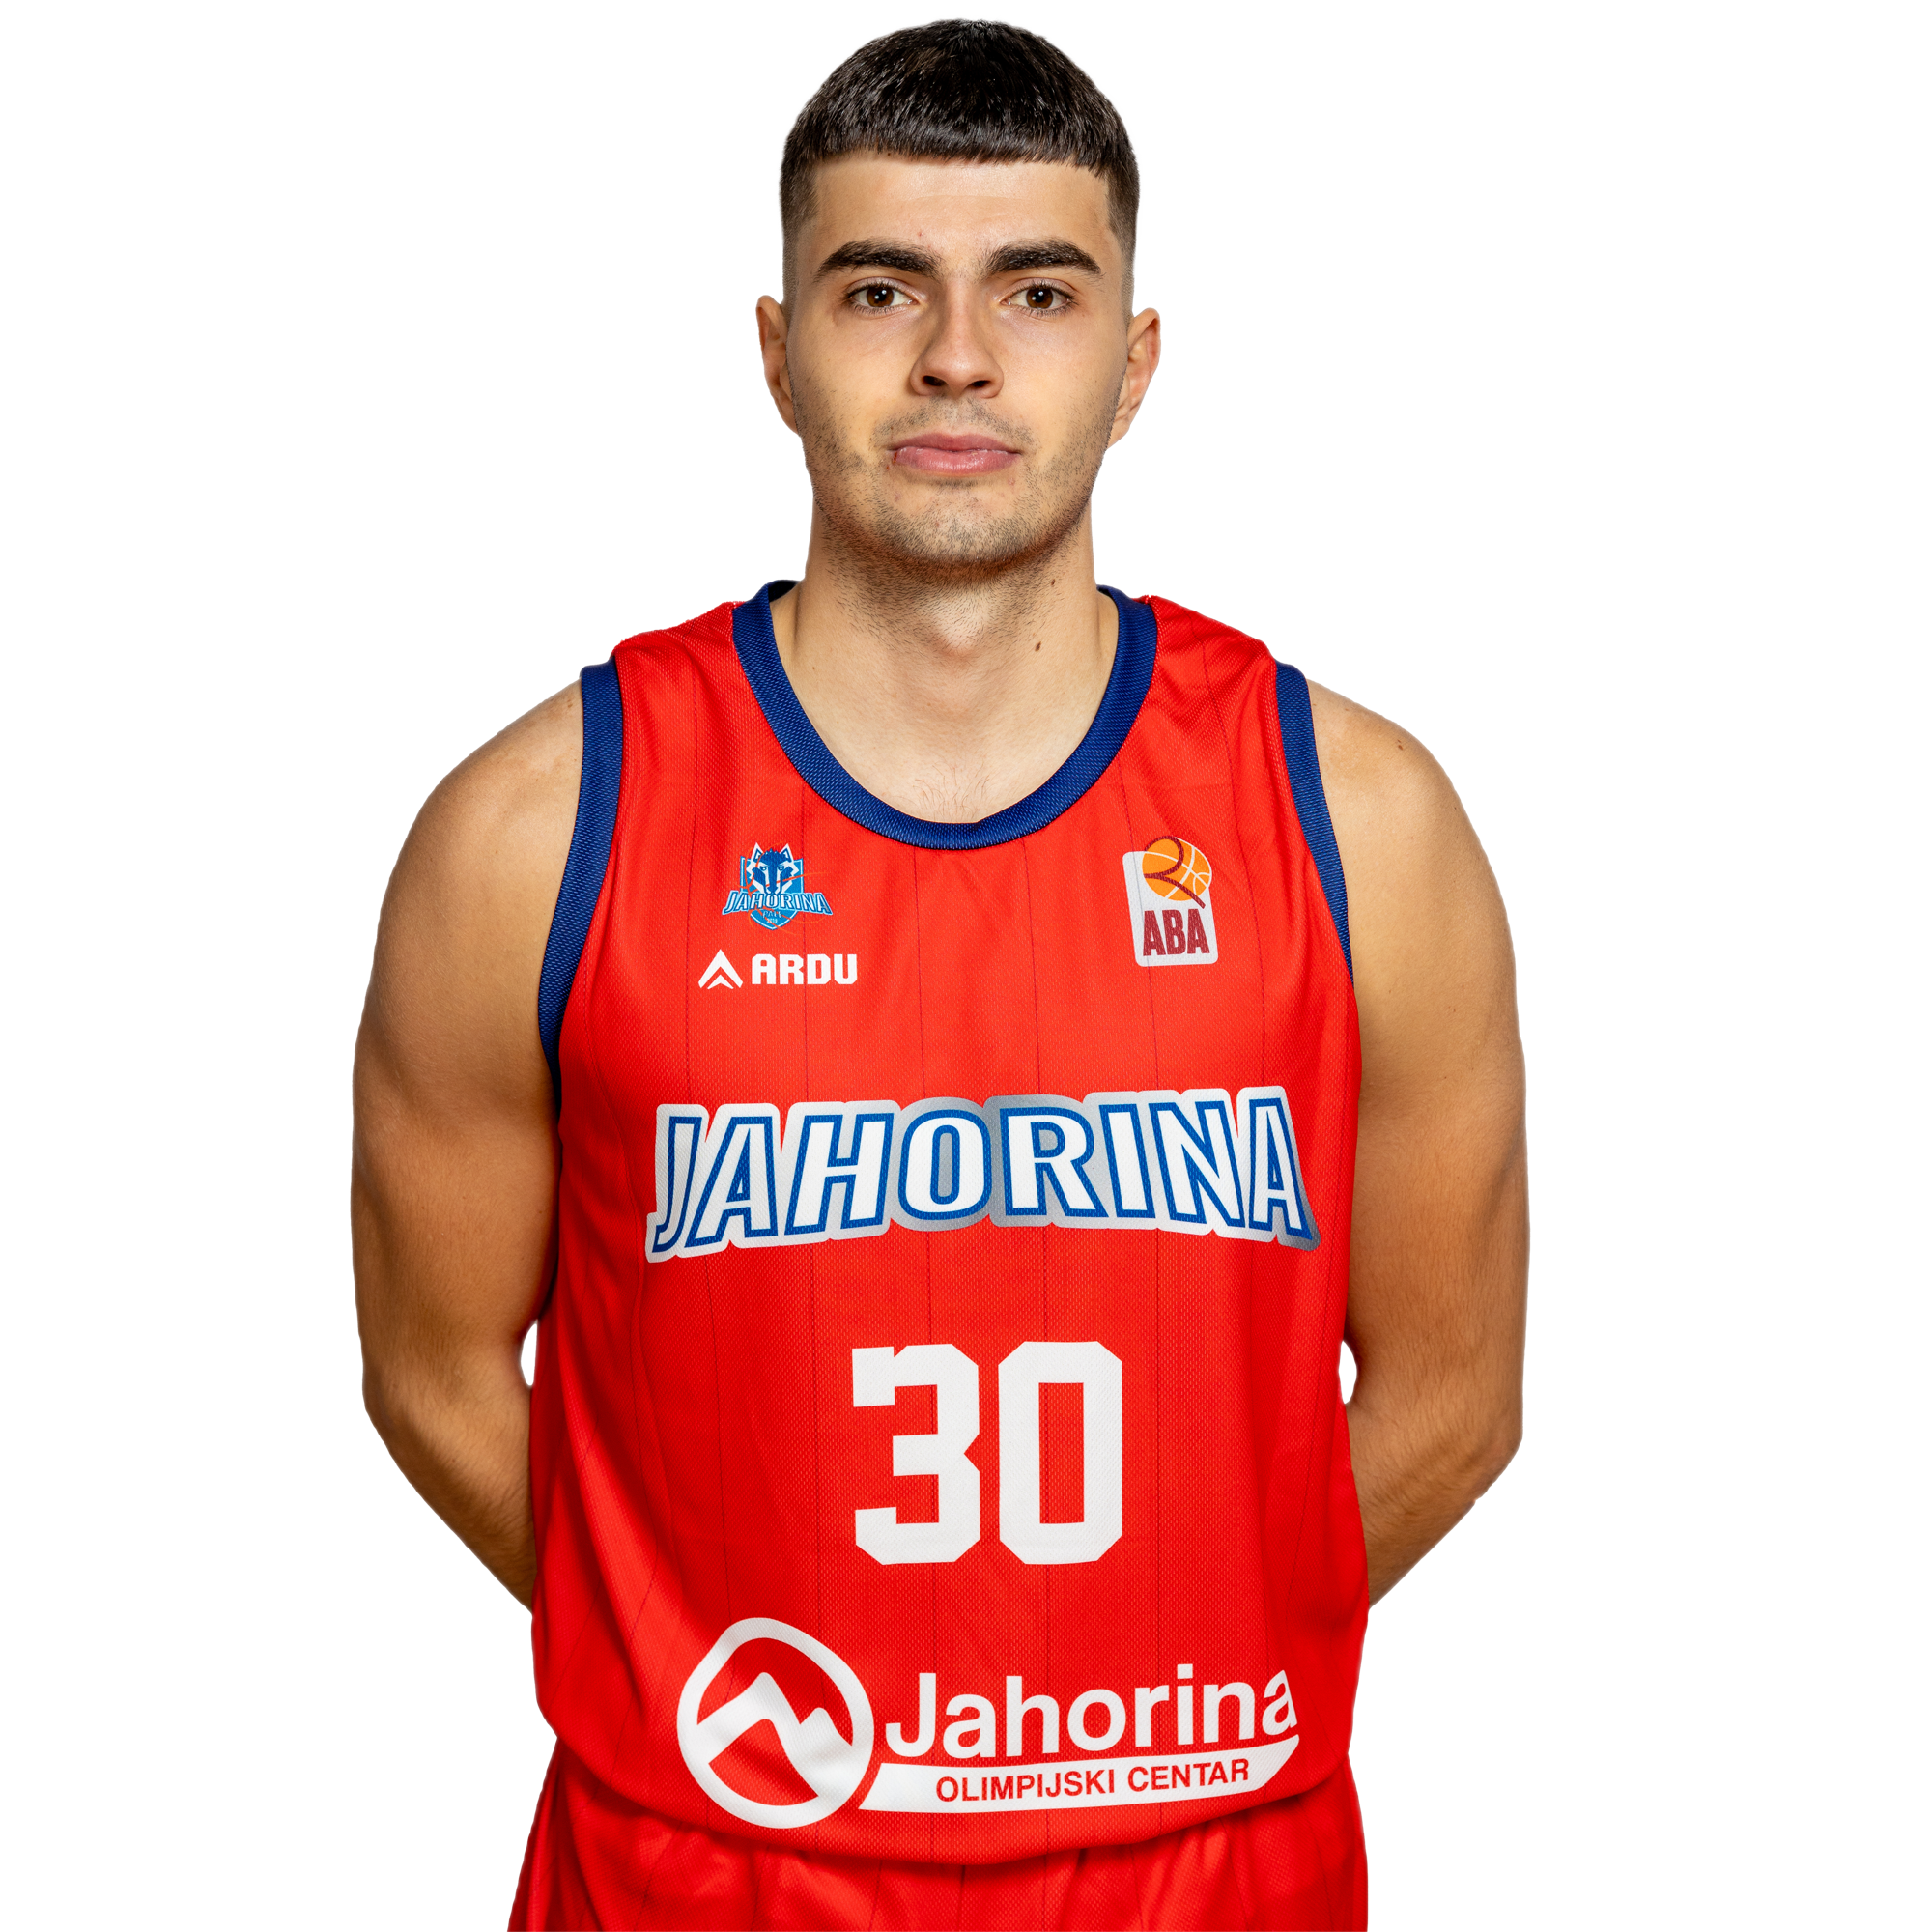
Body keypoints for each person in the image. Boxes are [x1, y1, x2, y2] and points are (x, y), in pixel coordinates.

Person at [353, 18, 1525, 1928]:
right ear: (775, 349)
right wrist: (707, 1670)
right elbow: (432, 1372)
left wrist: (1152, 1688)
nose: (958, 356)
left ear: (1135, 359)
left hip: (1207, 1869)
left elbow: (1454, 1392)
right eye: (879, 287)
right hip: (704, 1867)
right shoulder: (533, 832)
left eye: (1038, 291)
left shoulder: (1359, 821)